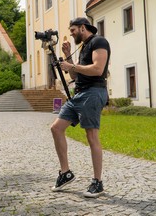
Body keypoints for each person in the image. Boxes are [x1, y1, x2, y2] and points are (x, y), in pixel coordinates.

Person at [50, 17, 110, 198]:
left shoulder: (99, 41)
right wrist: (69, 57)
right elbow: (75, 75)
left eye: (73, 30)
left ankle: (97, 182)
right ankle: (65, 173)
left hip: (93, 92)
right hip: (79, 93)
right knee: (56, 128)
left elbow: (98, 69)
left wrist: (71, 64)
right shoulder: (84, 46)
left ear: (83, 28)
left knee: (91, 135)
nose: (71, 34)